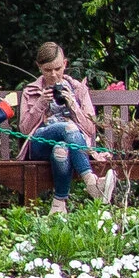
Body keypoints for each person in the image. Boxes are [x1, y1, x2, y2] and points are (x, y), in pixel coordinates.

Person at [11, 43, 115, 212]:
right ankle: (91, 183)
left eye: (58, 68)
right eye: (47, 70)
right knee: (68, 127)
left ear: (65, 64)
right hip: (40, 143)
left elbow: (90, 129)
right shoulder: (31, 91)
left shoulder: (78, 89)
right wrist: (40, 103)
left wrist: (73, 104)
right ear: (39, 67)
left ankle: (58, 205)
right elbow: (23, 130)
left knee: (61, 150)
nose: (53, 74)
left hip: (72, 145)